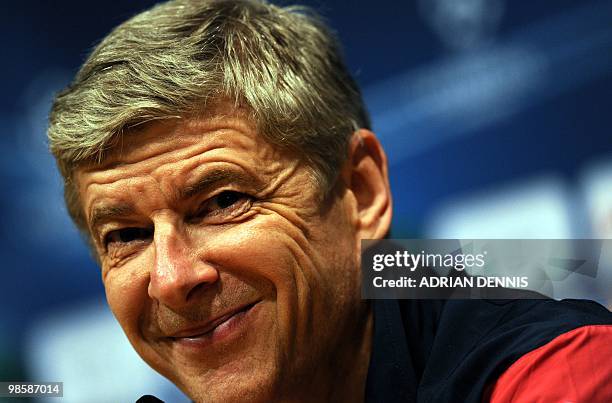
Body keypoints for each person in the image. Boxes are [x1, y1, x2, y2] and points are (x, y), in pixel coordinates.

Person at [47, 1, 611, 402]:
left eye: (221, 202)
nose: (171, 278)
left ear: (361, 193)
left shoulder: (558, 375)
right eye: (125, 236)